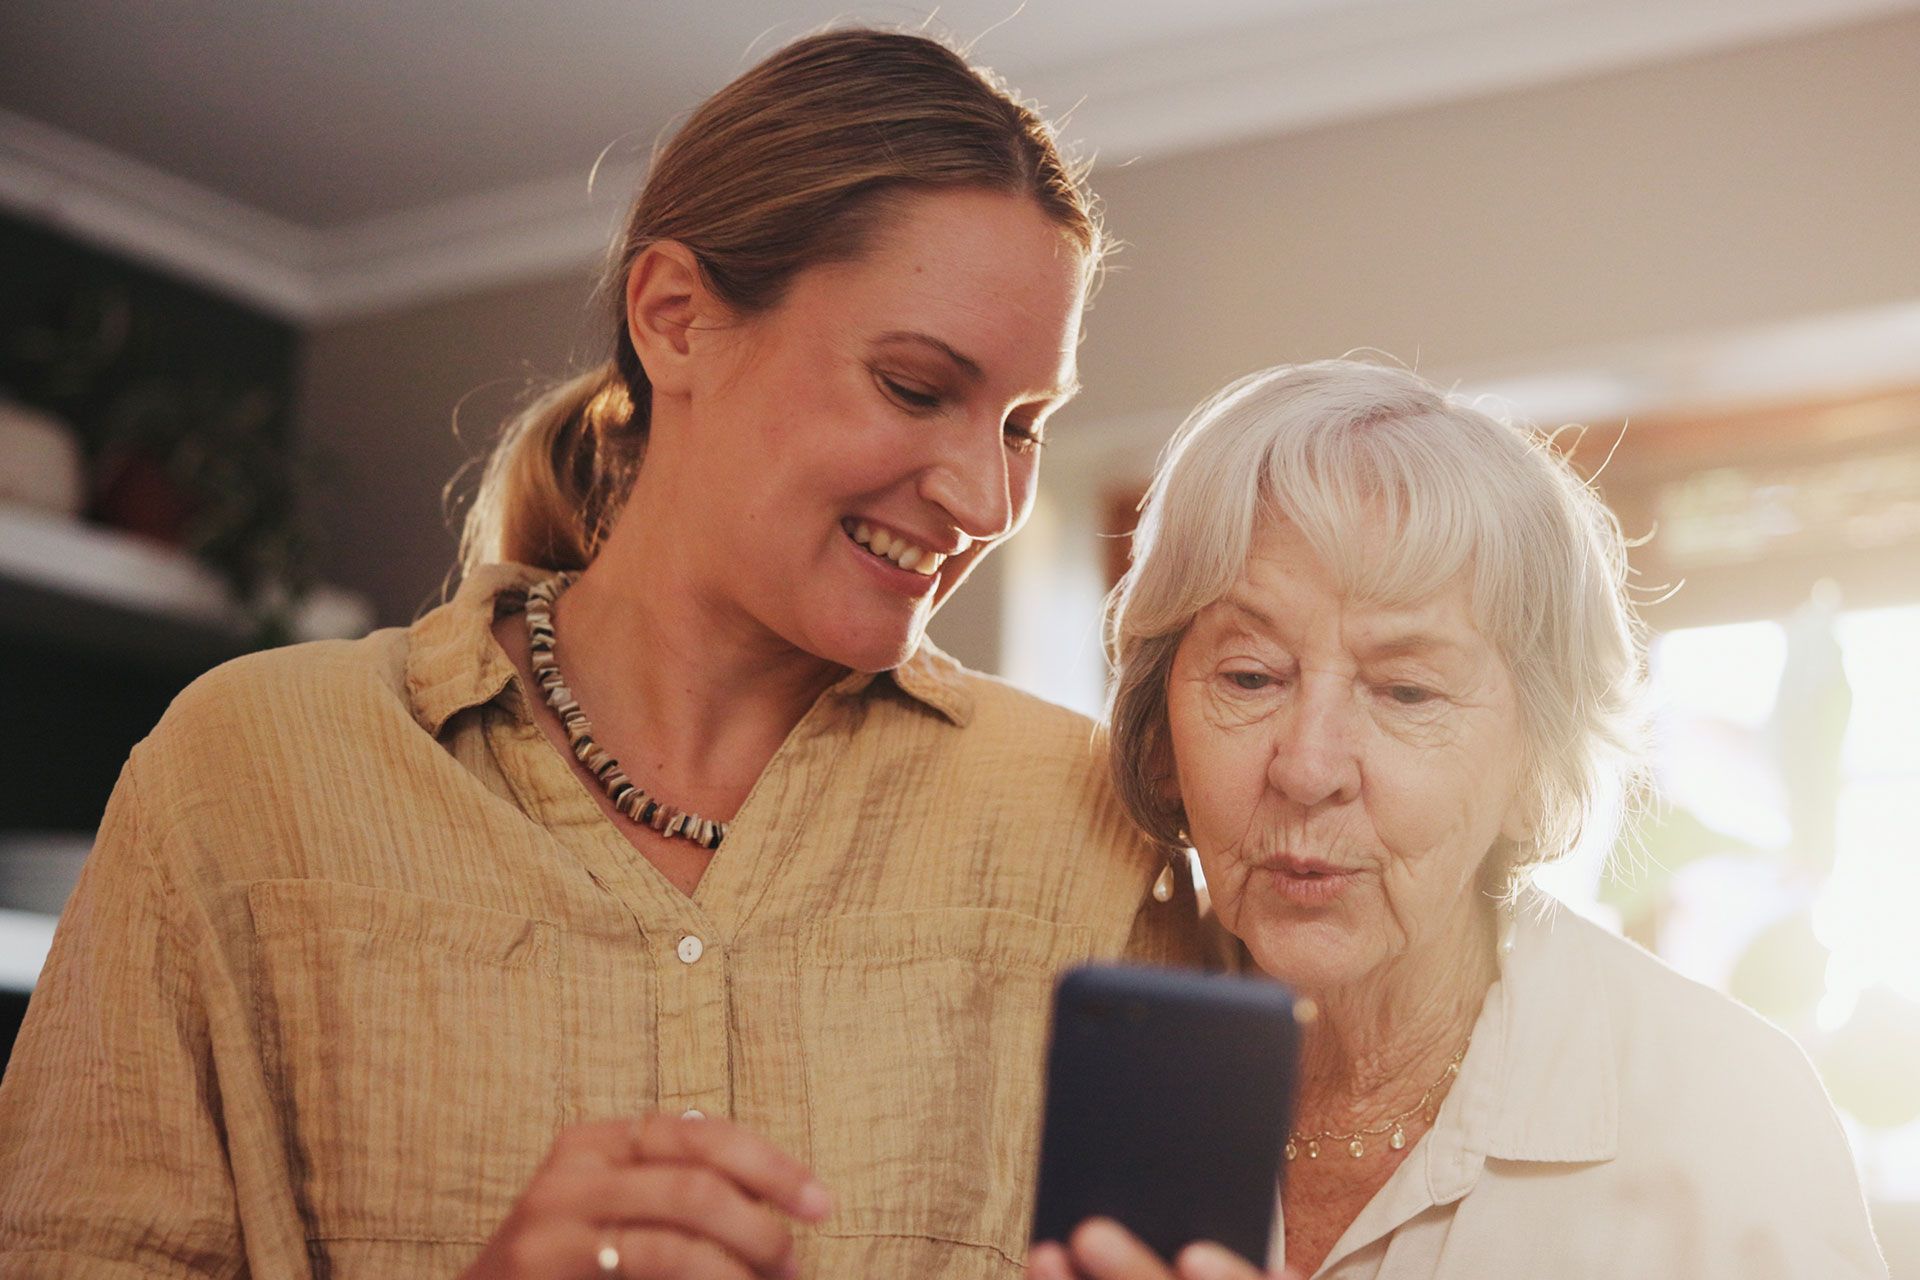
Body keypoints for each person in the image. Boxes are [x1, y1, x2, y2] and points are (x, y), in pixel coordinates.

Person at [0, 30, 1206, 1280]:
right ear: (674, 318)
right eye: (913, 386)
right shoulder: (247, 768)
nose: (985, 495)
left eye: (1024, 425)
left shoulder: (1087, 824)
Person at [1029, 360, 1887, 1280]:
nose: (1309, 767)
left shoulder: (1725, 1112)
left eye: (1406, 690)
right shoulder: (1067, 1061)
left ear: (1537, 766)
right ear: (1160, 734)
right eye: (1250, 676)